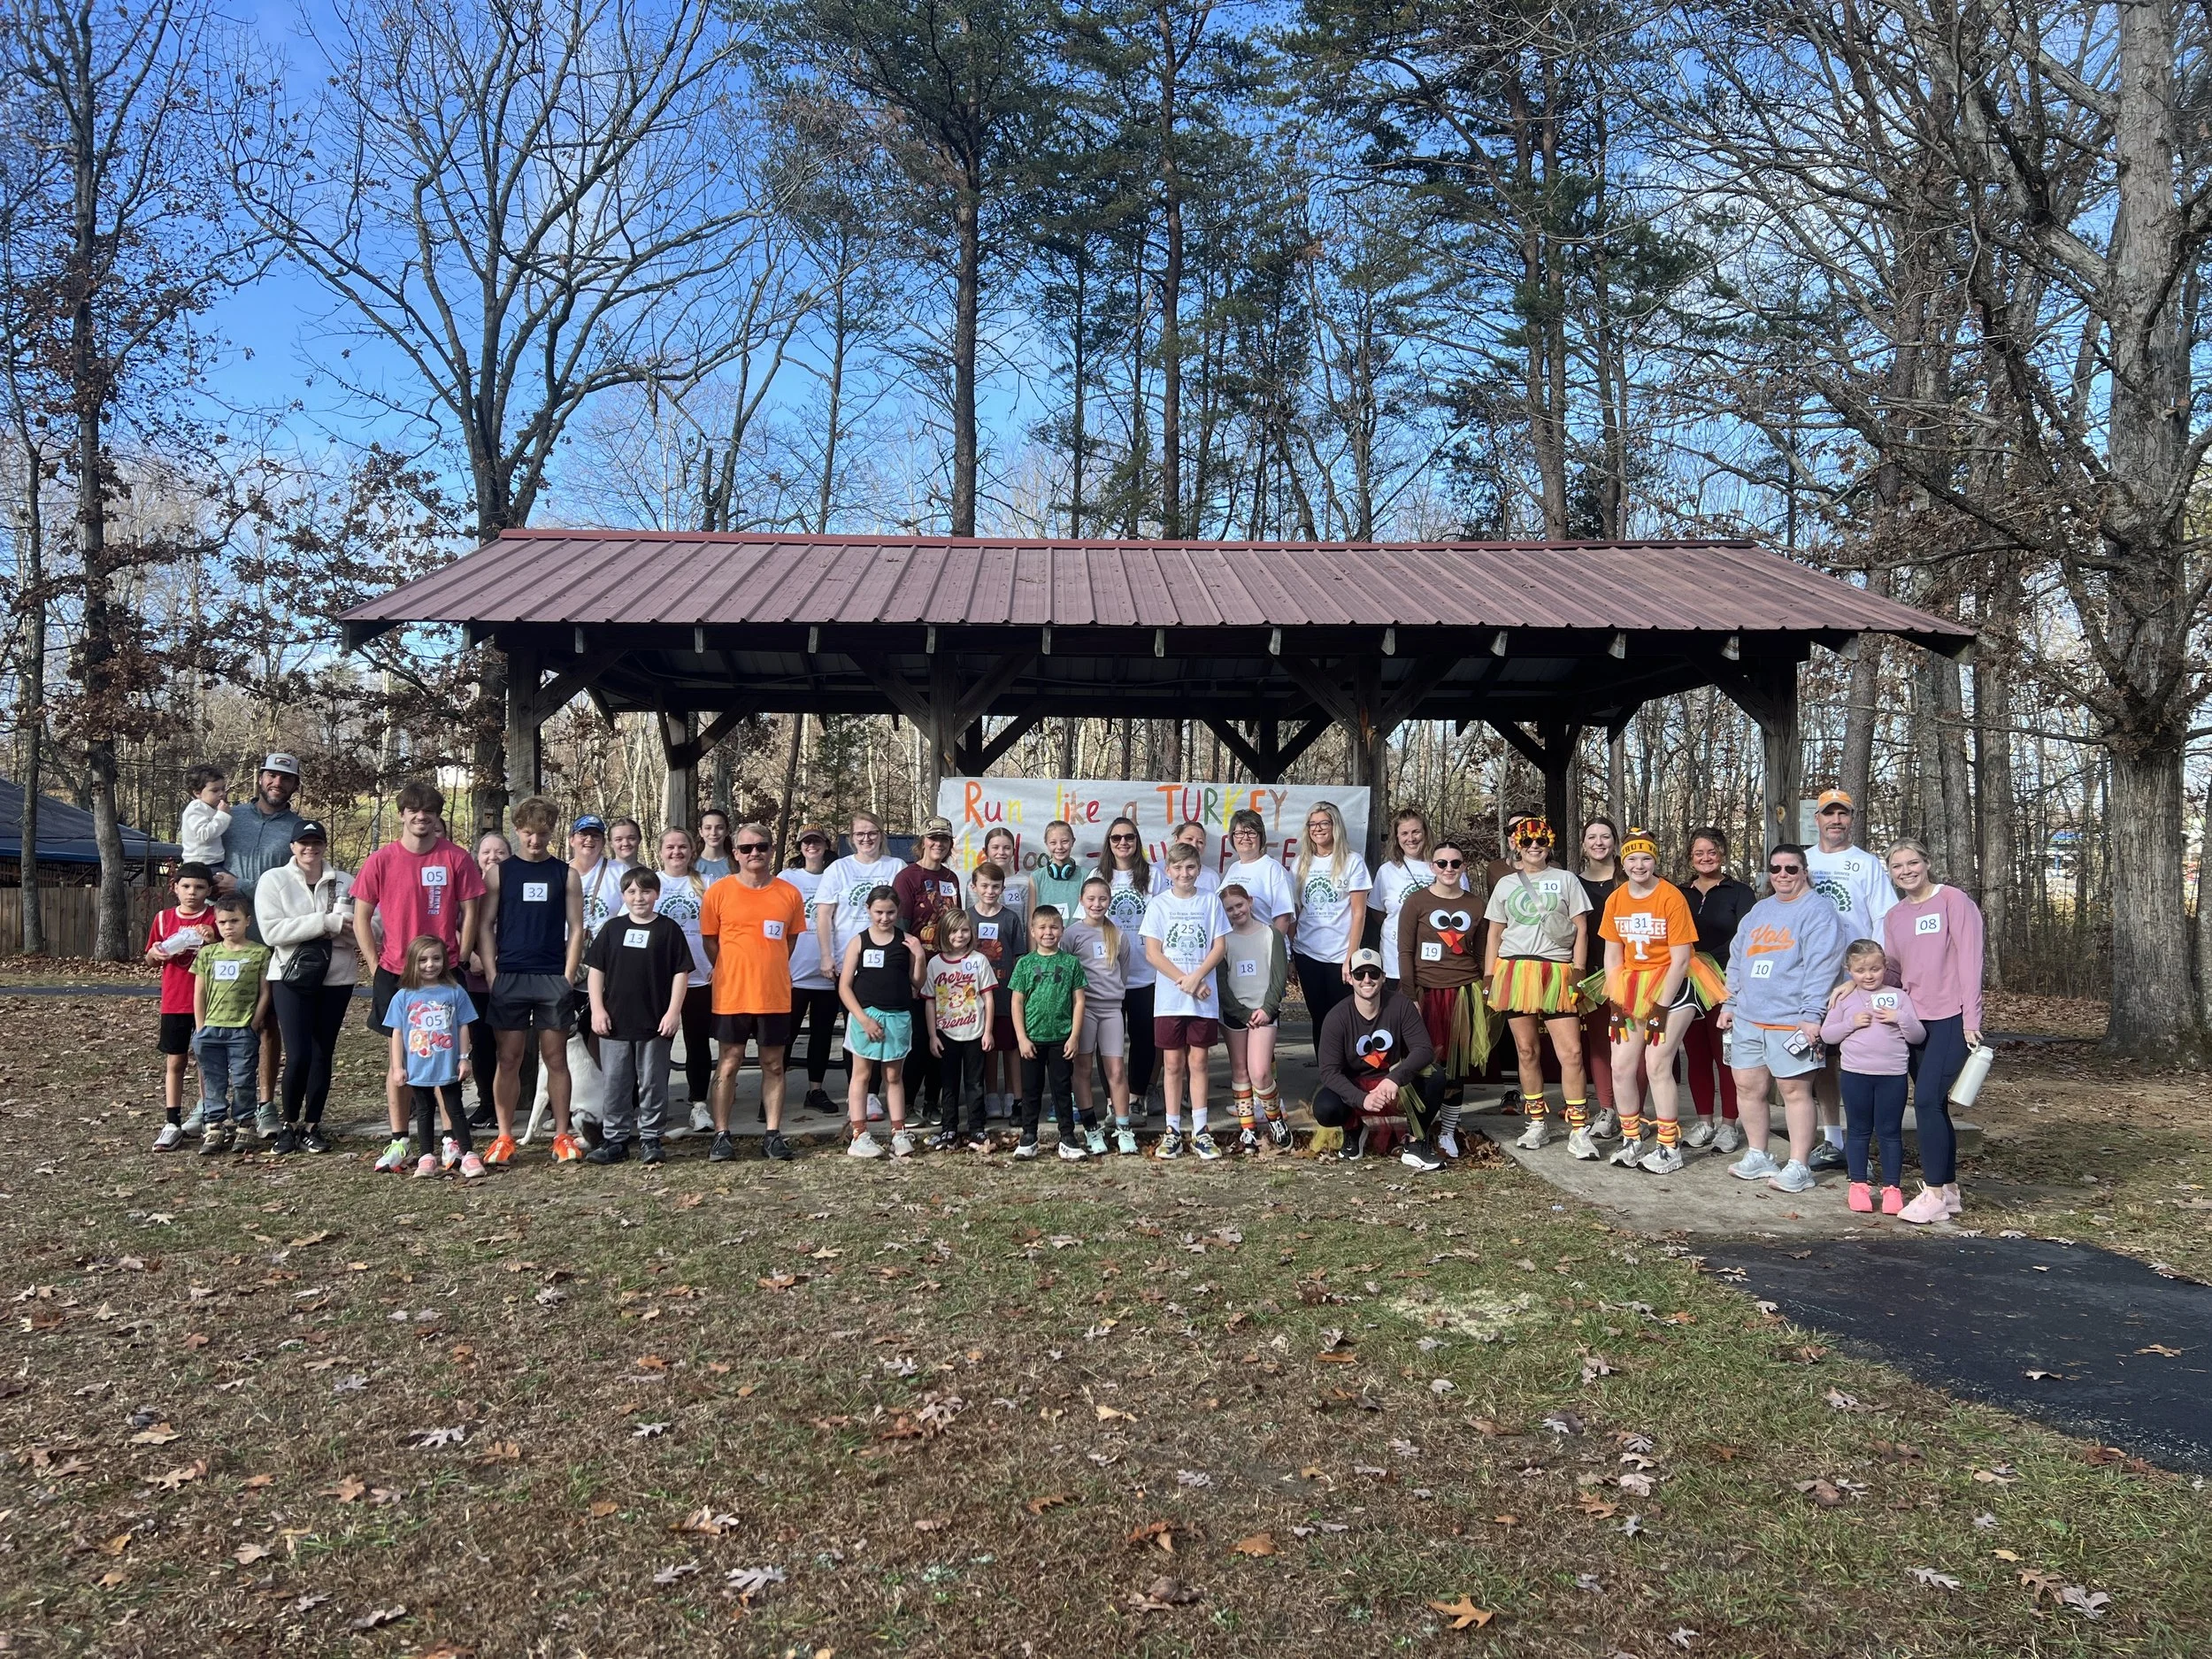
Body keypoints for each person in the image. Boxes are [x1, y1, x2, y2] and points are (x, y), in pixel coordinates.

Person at [353, 780, 488, 1156]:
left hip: (443, 970)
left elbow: (472, 908)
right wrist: (375, 961)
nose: (421, 816)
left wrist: (462, 953)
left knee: (443, 1053)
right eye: (413, 810)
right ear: (402, 815)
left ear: (436, 817)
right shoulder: (381, 859)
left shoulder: (456, 858)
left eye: (428, 811)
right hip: (396, 971)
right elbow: (362, 914)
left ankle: (449, 1140)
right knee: (400, 1057)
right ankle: (399, 1140)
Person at [1718, 843, 1855, 1193]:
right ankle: (1759, 1154)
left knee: (1795, 1090)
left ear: (1804, 871)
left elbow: (1822, 966)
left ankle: (1798, 1164)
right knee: (1748, 1088)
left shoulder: (1818, 911)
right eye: (1775, 869)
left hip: (1792, 1020)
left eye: (1791, 869)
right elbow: (1737, 959)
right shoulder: (1759, 911)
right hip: (1749, 1017)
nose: (1782, 875)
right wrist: (1731, 1002)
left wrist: (1813, 1015)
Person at [1881, 838, 1985, 1225]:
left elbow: (1972, 963)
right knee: (1935, 1106)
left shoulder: (1953, 902)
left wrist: (1971, 1020)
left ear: (1926, 863)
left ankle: (1934, 1194)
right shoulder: (1894, 916)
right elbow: (1892, 971)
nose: (1906, 871)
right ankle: (1951, 1190)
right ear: (1890, 873)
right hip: (1914, 1020)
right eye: (1897, 866)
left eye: (1912, 863)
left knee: (1925, 1101)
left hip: (1951, 1017)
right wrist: (1856, 985)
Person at [1592, 830, 1701, 1174]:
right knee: (1621, 1065)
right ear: (1622, 863)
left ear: (1655, 861)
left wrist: (1660, 1008)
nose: (1639, 865)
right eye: (1632, 859)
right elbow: (1612, 955)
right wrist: (1615, 1000)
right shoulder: (1616, 899)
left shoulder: (1670, 897)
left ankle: (1669, 1146)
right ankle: (1631, 1138)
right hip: (1631, 983)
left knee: (1656, 1063)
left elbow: (1681, 960)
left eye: (1646, 858)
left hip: (1672, 983)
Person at [482, 796, 583, 1165]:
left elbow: (577, 929)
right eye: (527, 833)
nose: (534, 841)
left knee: (556, 1058)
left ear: (551, 832)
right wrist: (493, 972)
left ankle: (561, 1134)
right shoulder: (499, 872)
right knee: (507, 1058)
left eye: (541, 833)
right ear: (517, 831)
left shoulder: (565, 874)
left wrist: (568, 976)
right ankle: (504, 1136)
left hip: (551, 976)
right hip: (509, 975)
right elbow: (484, 924)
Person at [699, 823, 809, 1163]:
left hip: (774, 995)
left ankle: (773, 1135)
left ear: (771, 850)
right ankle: (721, 1136)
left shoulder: (789, 894)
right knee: (728, 1064)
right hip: (731, 994)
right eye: (746, 848)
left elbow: (788, 942)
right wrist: (733, 968)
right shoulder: (718, 892)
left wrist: (767, 967)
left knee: (774, 1064)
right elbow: (710, 942)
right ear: (736, 854)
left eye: (761, 846)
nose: (754, 853)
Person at [1484, 818, 1593, 1150]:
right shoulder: (1504, 884)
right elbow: (1494, 934)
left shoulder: (1566, 879)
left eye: (1541, 841)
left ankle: (1579, 1128)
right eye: (1527, 841)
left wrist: (1578, 969)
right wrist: (1489, 976)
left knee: (1571, 1052)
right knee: (1527, 1050)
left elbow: (1581, 928)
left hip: (1557, 970)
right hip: (1515, 971)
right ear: (1517, 844)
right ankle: (1535, 1122)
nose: (1534, 847)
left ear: (1550, 844)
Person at [1805, 787, 1899, 1171]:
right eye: (1829, 813)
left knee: (1863, 1061)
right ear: (1818, 819)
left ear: (1851, 819)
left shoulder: (1868, 865)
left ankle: (1865, 1145)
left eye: (1843, 814)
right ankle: (1833, 1140)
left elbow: (1883, 919)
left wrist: (1871, 975)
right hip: (1815, 977)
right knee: (1822, 1059)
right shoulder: (1802, 861)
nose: (1836, 821)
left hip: (1859, 978)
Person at [254, 820, 358, 1155]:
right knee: (298, 1054)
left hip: (336, 977)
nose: (309, 849)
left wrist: (340, 928)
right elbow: (273, 932)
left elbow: (369, 929)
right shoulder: (274, 880)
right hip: (290, 976)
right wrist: (327, 923)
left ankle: (312, 1125)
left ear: (325, 845)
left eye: (316, 842)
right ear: (292, 847)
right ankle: (288, 1125)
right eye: (303, 842)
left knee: (321, 1053)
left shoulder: (346, 881)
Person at [216, 753, 307, 1138]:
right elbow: (200, 855)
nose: (277, 783)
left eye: (286, 778)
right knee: (220, 1021)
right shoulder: (229, 817)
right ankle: (215, 1106)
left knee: (269, 1022)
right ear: (260, 777)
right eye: (272, 775)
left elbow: (299, 879)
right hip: (227, 936)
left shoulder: (299, 828)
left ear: (294, 786)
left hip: (272, 937)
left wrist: (244, 887)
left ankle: (266, 1105)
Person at [583, 867, 692, 1165]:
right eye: (632, 891)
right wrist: (598, 1009)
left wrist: (673, 1012)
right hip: (615, 1022)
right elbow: (596, 971)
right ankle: (615, 1140)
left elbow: (680, 973)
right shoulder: (612, 929)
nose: (639, 897)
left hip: (656, 1022)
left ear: (656, 894)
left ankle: (650, 1139)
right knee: (616, 1083)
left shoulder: (668, 930)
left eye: (645, 891)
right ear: (623, 896)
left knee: (653, 1082)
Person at [1820, 939, 1926, 1214]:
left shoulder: (1899, 998)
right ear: (1849, 970)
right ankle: (1858, 1186)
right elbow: (1826, 1034)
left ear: (1885, 967)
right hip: (1856, 1075)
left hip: (1892, 1076)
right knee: (1858, 1131)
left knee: (1890, 1132)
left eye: (1875, 969)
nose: (1869, 976)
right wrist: (1849, 1024)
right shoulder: (1843, 998)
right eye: (1861, 970)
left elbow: (1917, 1035)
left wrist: (1900, 1017)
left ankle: (1892, 1189)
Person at [1311, 949, 1441, 1171]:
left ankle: (1415, 1142)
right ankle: (1353, 1130)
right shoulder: (1337, 1017)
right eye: (1360, 974)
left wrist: (1395, 1078)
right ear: (1350, 978)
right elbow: (1329, 1071)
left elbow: (1423, 1049)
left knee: (1436, 1077)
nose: (1367, 980)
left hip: (1393, 1084)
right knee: (1325, 1107)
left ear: (1383, 977)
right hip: (1356, 1084)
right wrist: (1361, 1098)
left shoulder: (1400, 1005)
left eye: (1373, 973)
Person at [1397, 839, 1486, 1159]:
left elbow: (1481, 951)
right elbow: (1404, 951)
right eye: (1442, 863)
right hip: (1425, 993)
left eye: (1455, 863)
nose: (1449, 869)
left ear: (1463, 867)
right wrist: (1409, 994)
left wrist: (1483, 986)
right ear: (1432, 867)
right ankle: (1417, 1128)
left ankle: (1448, 1130)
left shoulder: (1476, 905)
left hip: (1463, 994)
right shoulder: (1416, 901)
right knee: (1422, 1064)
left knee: (1456, 1067)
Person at [814, 811, 906, 1119]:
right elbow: (824, 915)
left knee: (886, 1027)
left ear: (882, 835)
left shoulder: (895, 867)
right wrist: (827, 956)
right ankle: (860, 1091)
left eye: (872, 833)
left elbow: (902, 912)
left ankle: (875, 1095)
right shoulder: (838, 869)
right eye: (859, 834)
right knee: (856, 1026)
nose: (866, 839)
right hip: (848, 959)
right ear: (850, 838)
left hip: (889, 960)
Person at [1142, 841, 1229, 1160]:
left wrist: (1198, 978)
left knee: (1199, 1062)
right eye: (1178, 868)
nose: (1185, 873)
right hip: (1170, 1000)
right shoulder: (1159, 905)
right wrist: (1188, 982)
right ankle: (1172, 1131)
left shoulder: (1210, 901)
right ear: (1168, 871)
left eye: (1191, 867)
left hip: (1203, 999)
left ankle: (1201, 1131)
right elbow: (1153, 953)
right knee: (1172, 1063)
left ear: (1199, 869)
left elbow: (1219, 947)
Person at [377, 934, 482, 1179]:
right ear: (412, 963)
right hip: (418, 1067)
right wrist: (397, 1067)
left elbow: (463, 1026)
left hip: (448, 1065)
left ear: (444, 961)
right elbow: (397, 1032)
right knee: (424, 1110)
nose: (429, 965)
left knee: (455, 1109)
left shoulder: (455, 992)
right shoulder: (403, 997)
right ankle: (426, 1156)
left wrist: (464, 1057)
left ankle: (467, 1154)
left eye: (436, 958)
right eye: (422, 960)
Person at [1681, 829, 1755, 1153]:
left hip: (1725, 982)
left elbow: (1748, 937)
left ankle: (1729, 1125)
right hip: (1685, 982)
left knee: (1724, 1055)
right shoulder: (1679, 892)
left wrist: (1715, 963)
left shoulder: (1739, 892)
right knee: (1695, 1055)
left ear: (1722, 853)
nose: (1705, 858)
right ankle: (1705, 1121)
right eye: (1699, 853)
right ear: (1690, 857)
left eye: (1711, 852)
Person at [838, 887, 923, 1158]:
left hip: (898, 1017)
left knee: (893, 1076)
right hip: (866, 1018)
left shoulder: (907, 941)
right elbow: (844, 987)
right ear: (868, 910)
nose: (884, 918)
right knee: (862, 1075)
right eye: (878, 912)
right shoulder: (859, 942)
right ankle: (859, 1135)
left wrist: (919, 956)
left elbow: (916, 984)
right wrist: (863, 1019)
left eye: (890, 912)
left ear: (898, 912)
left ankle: (899, 1132)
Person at [895, 816, 966, 1126]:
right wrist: (909, 974)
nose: (938, 844)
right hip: (917, 968)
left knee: (944, 1039)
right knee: (919, 1040)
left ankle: (932, 1102)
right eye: (933, 838)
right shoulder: (907, 877)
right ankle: (908, 1101)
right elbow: (900, 929)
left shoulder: (952, 877)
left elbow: (957, 924)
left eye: (944, 839)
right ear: (922, 841)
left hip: (948, 969)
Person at [189, 895, 272, 1156]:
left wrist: (254, 1024)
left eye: (234, 921)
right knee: (213, 1080)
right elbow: (199, 992)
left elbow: (265, 992)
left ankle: (245, 1124)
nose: (228, 927)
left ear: (247, 921)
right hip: (210, 1030)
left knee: (244, 1078)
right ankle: (214, 1125)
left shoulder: (259, 953)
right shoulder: (208, 954)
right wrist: (201, 1027)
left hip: (242, 1030)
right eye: (223, 922)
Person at [1009, 904, 1089, 1161]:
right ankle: (1028, 1137)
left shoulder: (1070, 963)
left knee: (1063, 1090)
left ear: (1062, 930)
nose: (1048, 932)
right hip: (1031, 1039)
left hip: (1061, 1039)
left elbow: (1079, 1001)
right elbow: (1017, 1002)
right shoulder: (1024, 964)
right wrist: (1021, 1037)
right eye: (1042, 927)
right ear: (1032, 931)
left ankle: (1067, 1137)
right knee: (1031, 1091)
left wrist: (1074, 1036)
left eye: (1054, 927)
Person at [146, 862, 218, 1148]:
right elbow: (150, 958)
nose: (192, 893)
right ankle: (172, 1122)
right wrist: (155, 954)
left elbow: (229, 951)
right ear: (175, 888)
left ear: (209, 890)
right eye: (186, 887)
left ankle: (210, 1117)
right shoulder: (163, 919)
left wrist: (212, 940)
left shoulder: (215, 918)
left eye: (199, 887)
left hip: (210, 1001)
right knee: (175, 1060)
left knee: (207, 1061)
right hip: (174, 1001)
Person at [1064, 875, 1136, 1154]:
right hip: (1084, 1010)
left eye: (1103, 899)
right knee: (1082, 1069)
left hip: (1111, 1010)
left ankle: (1123, 1129)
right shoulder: (1072, 934)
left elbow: (1123, 972)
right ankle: (1092, 1130)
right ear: (1081, 901)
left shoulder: (1118, 935)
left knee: (1116, 1071)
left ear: (1110, 901)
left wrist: (1114, 994)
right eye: (1091, 899)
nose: (1097, 904)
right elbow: (1067, 973)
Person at [1217, 882, 1290, 1151]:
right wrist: (1241, 1012)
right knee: (1240, 1070)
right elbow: (1222, 982)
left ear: (1249, 902)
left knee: (1259, 1072)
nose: (1236, 912)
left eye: (1239, 905)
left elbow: (1278, 977)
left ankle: (1275, 1119)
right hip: (1236, 1014)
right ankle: (1247, 1129)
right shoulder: (1223, 940)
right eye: (1229, 909)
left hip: (1264, 1012)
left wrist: (1267, 1009)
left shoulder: (1271, 935)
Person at [654, 828, 717, 1133]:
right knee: (656, 1045)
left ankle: (699, 1105)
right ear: (660, 851)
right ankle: (654, 1105)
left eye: (682, 846)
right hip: (658, 980)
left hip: (701, 976)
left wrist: (721, 964)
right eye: (670, 847)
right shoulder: (650, 883)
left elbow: (724, 927)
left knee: (697, 1043)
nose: (676, 852)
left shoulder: (708, 884)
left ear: (693, 851)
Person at [1290, 801, 1371, 1038]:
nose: (1318, 828)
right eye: (1312, 824)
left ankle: (1345, 1072)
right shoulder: (1300, 863)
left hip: (1340, 955)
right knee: (1319, 1017)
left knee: (1342, 1019)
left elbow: (1359, 913)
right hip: (1307, 953)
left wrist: (1350, 958)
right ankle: (1325, 1072)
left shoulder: (1352, 861)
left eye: (1324, 823)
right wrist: (1291, 955)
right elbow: (1295, 911)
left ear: (1335, 825)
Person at [1096, 816, 1160, 1110]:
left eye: (1129, 837)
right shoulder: (1097, 875)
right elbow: (1087, 924)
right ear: (1109, 843)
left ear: (1137, 841)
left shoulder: (1155, 876)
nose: (1123, 842)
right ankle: (1113, 1098)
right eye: (1116, 838)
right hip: (1107, 974)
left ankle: (1136, 1097)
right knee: (1108, 1040)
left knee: (1143, 1037)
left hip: (1146, 972)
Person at [920, 909, 995, 1152]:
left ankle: (977, 1128)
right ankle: (948, 1129)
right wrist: (932, 1035)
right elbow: (930, 1000)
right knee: (949, 1084)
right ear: (944, 933)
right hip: (946, 1034)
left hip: (975, 1032)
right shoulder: (935, 963)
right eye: (954, 931)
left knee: (975, 1084)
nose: (960, 935)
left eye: (964, 930)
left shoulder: (979, 960)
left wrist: (988, 1031)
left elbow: (989, 998)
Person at [782, 825, 843, 1113]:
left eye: (816, 841)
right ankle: (773, 1090)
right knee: (786, 1034)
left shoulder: (838, 874)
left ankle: (815, 1090)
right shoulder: (788, 877)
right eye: (806, 842)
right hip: (793, 970)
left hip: (827, 969)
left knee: (822, 1033)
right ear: (799, 846)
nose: (811, 846)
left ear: (826, 844)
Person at [1575, 817, 1627, 1138]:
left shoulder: (1630, 876)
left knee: (1630, 1044)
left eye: (1605, 836)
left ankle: (1632, 1112)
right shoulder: (1572, 882)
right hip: (1592, 972)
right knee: (1599, 1046)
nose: (1599, 843)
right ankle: (1607, 1110)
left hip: (1632, 974)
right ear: (1583, 844)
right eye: (1592, 837)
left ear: (1615, 841)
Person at [969, 860, 1029, 1118]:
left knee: (1011, 1048)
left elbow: (1018, 956)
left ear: (1003, 888)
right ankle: (991, 1096)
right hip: (978, 996)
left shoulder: (1010, 918)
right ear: (974, 887)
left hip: (1006, 993)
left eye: (995, 886)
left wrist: (1019, 992)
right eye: (984, 885)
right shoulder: (968, 917)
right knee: (989, 1047)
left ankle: (1015, 1098)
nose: (990, 891)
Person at [1372, 806, 1440, 997]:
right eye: (1404, 833)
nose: (1411, 838)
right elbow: (1378, 913)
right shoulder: (1387, 871)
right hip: (1395, 962)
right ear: (1397, 837)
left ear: (1425, 832)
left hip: (1436, 962)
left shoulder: (1444, 865)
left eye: (1416, 831)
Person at [1220, 809, 1295, 935]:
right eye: (1239, 833)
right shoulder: (1233, 868)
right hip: (1239, 949)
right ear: (1232, 837)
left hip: (1266, 949)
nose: (1245, 837)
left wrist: (1270, 948)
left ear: (1261, 837)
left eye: (1251, 833)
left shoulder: (1273, 868)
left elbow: (1284, 918)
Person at [572, 814, 628, 946]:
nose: (589, 839)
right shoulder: (560, 873)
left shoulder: (621, 872)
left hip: (608, 949)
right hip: (565, 950)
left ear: (603, 842)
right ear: (571, 840)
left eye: (595, 835)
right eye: (583, 834)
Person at [1029, 819, 1087, 920]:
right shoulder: (1037, 877)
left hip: (1077, 936)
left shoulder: (1086, 875)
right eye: (1053, 843)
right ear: (1046, 844)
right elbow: (1031, 920)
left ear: (1073, 842)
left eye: (1065, 841)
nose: (1059, 847)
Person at [179, 764, 230, 867]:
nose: (221, 794)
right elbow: (205, 834)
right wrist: (222, 815)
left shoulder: (212, 807)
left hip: (214, 861)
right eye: (215, 790)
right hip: (201, 863)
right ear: (198, 793)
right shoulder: (196, 807)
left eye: (223, 789)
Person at [983, 825, 1031, 915]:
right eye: (995, 847)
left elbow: (1028, 921)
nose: (1001, 852)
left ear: (1014, 851)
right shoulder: (976, 882)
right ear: (986, 851)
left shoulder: (1025, 883)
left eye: (1007, 848)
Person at [1169, 821, 1223, 891]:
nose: (1194, 845)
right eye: (1189, 839)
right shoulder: (1157, 871)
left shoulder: (1211, 877)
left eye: (1200, 842)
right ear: (1176, 839)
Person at [695, 809, 734, 882]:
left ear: (727, 831)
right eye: (708, 828)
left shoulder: (737, 863)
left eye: (719, 828)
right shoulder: (691, 863)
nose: (713, 833)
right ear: (701, 832)